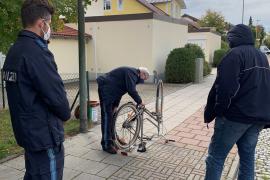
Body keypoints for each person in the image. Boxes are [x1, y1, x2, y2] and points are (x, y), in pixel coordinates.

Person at [2, 0, 70, 179]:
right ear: (42, 24)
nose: (51, 30)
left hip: (28, 135)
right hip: (44, 137)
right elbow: (57, 98)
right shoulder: (37, 53)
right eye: (50, 24)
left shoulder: (14, 51)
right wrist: (65, 115)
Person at [204, 24, 270, 180]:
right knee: (247, 160)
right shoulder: (262, 57)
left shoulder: (234, 55)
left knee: (216, 158)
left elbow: (226, 88)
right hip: (257, 119)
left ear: (233, 38)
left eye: (229, 38)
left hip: (235, 117)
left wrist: (219, 111)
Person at [97, 66, 150, 154]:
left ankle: (113, 138)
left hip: (112, 91)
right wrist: (140, 101)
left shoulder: (132, 74)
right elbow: (131, 90)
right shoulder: (132, 74)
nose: (142, 81)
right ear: (142, 73)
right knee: (107, 117)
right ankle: (106, 144)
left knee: (112, 115)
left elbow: (120, 90)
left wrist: (116, 105)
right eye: (144, 78)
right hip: (106, 89)